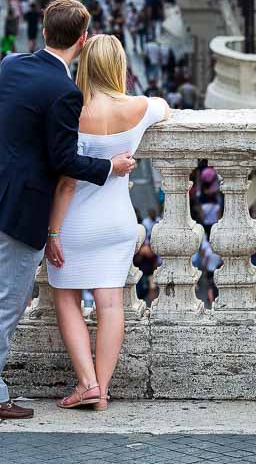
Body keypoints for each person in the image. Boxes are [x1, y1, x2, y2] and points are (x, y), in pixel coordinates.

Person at [0, 0, 135, 421]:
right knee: (5, 304)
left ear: (44, 31)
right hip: (26, 209)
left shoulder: (12, 65)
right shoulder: (64, 92)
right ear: (82, 40)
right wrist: (111, 166)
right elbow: (65, 161)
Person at [45, 34, 169, 411]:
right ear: (119, 66)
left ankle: (87, 383)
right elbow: (165, 108)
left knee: (66, 297)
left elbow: (67, 182)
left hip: (76, 221)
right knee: (111, 304)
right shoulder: (139, 108)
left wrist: (52, 232)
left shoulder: (72, 110)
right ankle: (104, 386)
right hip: (118, 222)